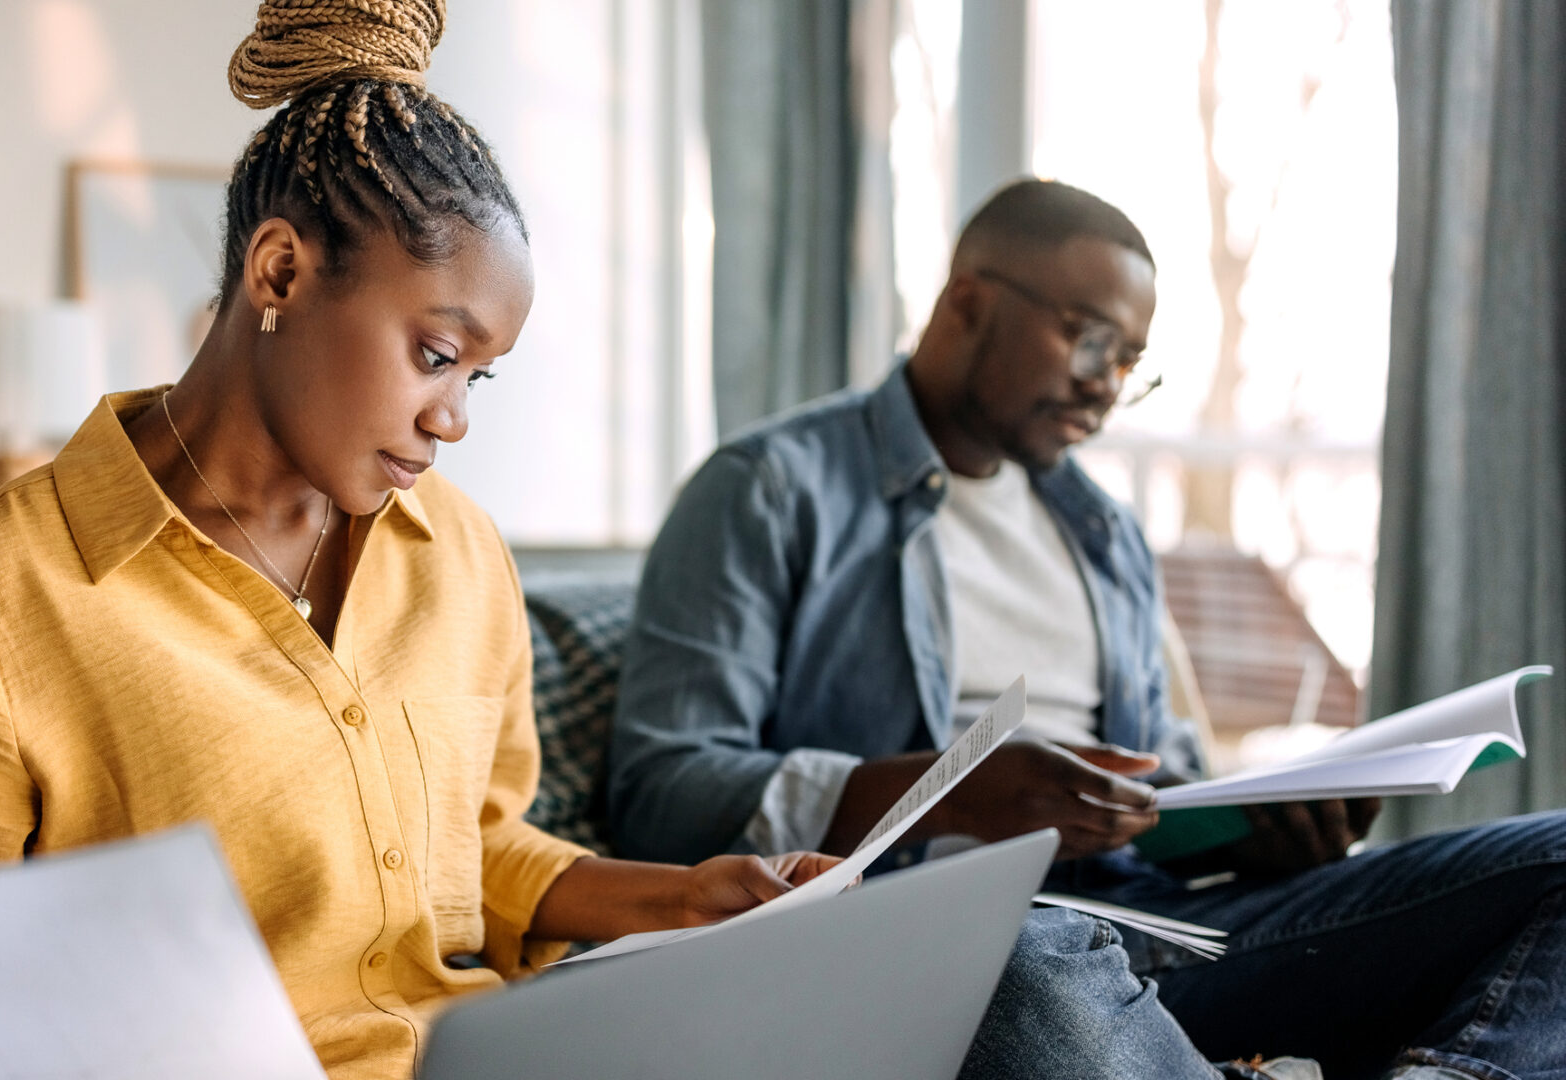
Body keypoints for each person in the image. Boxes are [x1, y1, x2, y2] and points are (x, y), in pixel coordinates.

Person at [0, 5, 846, 1078]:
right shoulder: (5, 588)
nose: (453, 417)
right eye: (436, 352)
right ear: (279, 274)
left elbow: (475, 852)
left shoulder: (456, 551)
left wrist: (685, 895)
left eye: (476, 376)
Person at [609, 177, 1566, 1080]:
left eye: (1132, 366)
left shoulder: (1103, 533)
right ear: (969, 303)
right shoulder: (769, 490)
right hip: (936, 928)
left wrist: (1248, 832)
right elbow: (661, 792)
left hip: (1152, 922)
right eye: (1090, 340)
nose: (1109, 386)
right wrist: (951, 796)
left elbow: (1158, 779)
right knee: (1014, 959)